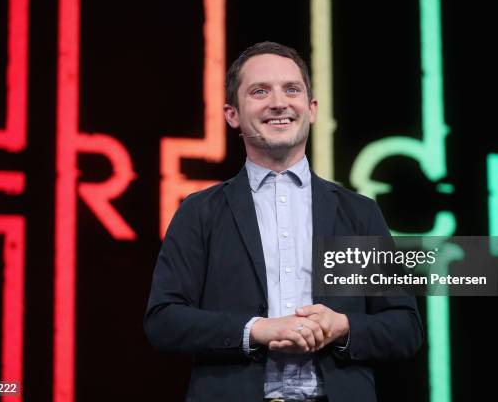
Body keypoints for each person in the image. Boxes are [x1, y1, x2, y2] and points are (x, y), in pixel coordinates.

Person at [145, 41, 423, 402]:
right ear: (232, 114)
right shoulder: (200, 212)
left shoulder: (358, 213)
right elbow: (164, 321)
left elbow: (404, 328)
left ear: (311, 109)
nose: (279, 102)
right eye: (260, 91)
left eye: (291, 89)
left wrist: (343, 327)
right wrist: (255, 330)